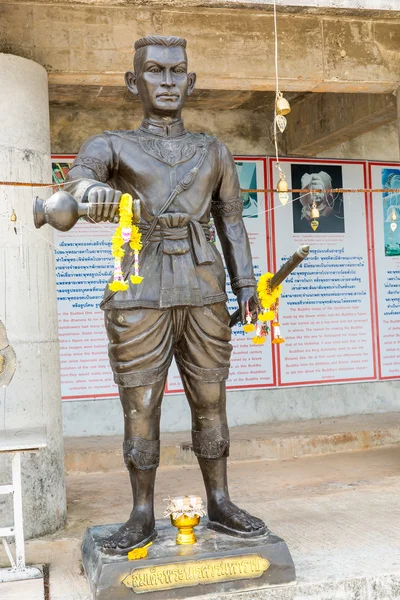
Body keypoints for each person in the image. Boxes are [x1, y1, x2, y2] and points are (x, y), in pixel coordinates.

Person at [65, 35, 267, 554]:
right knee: (140, 404)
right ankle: (140, 513)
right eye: (155, 71)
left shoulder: (213, 150)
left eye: (178, 71)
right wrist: (93, 194)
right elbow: (77, 181)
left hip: (203, 287)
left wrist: (247, 286)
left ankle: (219, 501)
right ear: (135, 82)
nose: (168, 81)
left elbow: (232, 224)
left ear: (191, 81)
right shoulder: (112, 144)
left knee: (210, 399)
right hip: (140, 289)